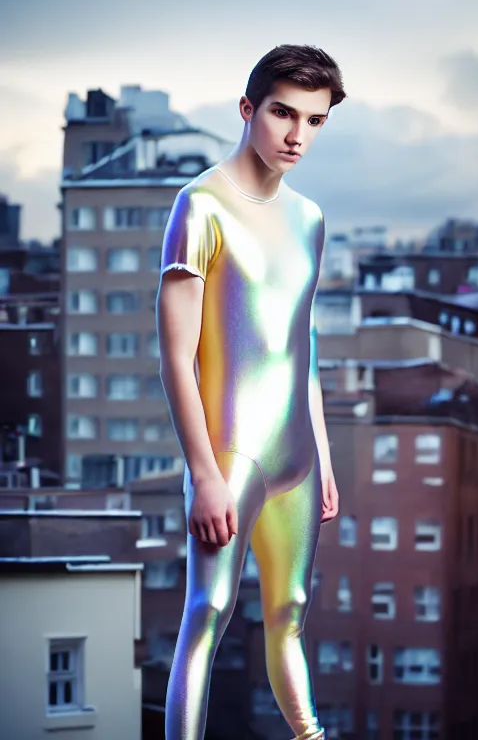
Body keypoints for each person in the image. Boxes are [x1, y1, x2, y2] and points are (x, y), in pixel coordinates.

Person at [157, 43, 346, 740]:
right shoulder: (199, 206)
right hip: (229, 459)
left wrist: (322, 454)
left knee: (289, 610)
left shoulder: (310, 219)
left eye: (316, 121)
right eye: (282, 113)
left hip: (297, 455)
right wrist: (204, 475)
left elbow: (305, 345)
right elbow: (176, 356)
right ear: (248, 109)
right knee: (206, 613)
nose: (298, 135)